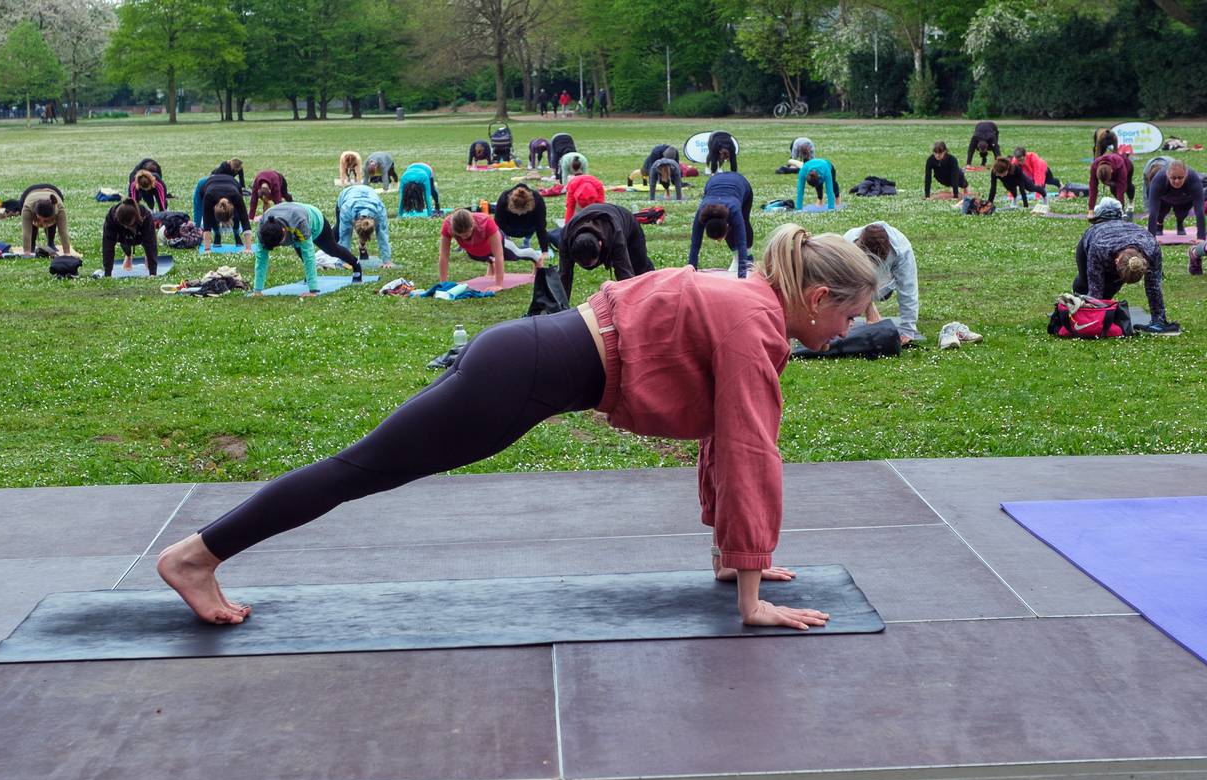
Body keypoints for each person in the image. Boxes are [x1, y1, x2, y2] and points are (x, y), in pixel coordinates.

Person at [156, 222, 879, 629]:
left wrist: (733, 556)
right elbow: (752, 451)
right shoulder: (755, 323)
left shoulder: (748, 302)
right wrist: (753, 604)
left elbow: (726, 435)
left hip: (522, 362)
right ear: (816, 297)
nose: (851, 331)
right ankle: (197, 555)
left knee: (363, 468)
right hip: (519, 375)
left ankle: (201, 554)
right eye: (849, 315)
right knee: (359, 470)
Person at [1073, 199, 1178, 334]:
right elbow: (1095, 291)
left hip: (1126, 238)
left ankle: (1112, 211)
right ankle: (1078, 302)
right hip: (1097, 236)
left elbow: (1154, 287)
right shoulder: (1099, 248)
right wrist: (1091, 317)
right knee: (1083, 283)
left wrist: (1159, 321)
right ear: (1116, 262)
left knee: (1108, 291)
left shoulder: (1151, 249)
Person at [253, 201, 366, 295]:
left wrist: (313, 290)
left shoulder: (299, 222)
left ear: (284, 232)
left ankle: (356, 265)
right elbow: (261, 258)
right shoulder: (263, 229)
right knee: (300, 251)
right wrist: (257, 290)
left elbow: (309, 255)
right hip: (290, 224)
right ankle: (311, 276)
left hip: (316, 223)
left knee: (332, 250)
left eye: (279, 244)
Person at [843, 222, 923, 344]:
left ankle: (869, 308)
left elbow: (908, 288)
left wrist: (907, 329)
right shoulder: (848, 242)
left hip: (885, 287)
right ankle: (864, 309)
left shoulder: (902, 250)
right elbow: (836, 282)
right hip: (855, 284)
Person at [556, 203, 654, 300]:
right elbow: (564, 275)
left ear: (600, 243)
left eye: (591, 264)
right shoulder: (566, 238)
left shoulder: (615, 234)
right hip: (600, 222)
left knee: (640, 266)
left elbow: (624, 273)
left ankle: (653, 292)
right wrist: (560, 309)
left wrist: (630, 304)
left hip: (628, 223)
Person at [437, 208, 540, 288]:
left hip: (500, 244)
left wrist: (498, 284)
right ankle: (491, 261)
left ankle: (534, 255)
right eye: (460, 235)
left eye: (467, 234)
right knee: (474, 255)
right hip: (477, 249)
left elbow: (499, 254)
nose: (463, 237)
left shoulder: (485, 222)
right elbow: (444, 256)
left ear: (472, 225)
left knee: (515, 255)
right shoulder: (448, 225)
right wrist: (443, 283)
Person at [689, 172, 753, 277]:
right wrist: (691, 272)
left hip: (740, 182)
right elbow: (695, 244)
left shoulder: (734, 210)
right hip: (714, 182)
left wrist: (742, 276)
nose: (718, 242)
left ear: (727, 225)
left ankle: (749, 259)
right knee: (734, 230)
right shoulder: (701, 212)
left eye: (719, 238)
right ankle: (736, 257)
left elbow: (742, 242)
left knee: (743, 223)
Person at [493, 183, 550, 267]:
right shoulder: (504, 199)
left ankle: (526, 241)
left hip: (528, 229)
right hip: (508, 229)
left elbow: (541, 226)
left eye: (522, 212)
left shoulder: (537, 200)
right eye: (516, 212)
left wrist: (544, 251)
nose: (519, 215)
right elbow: (497, 224)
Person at [1145, 160, 1205, 239]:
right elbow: (1153, 211)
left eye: (1180, 178)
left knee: (1181, 214)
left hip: (1185, 200)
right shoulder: (1159, 179)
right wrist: (1151, 239)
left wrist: (1201, 238)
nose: (1177, 181)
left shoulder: (1193, 179)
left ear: (1186, 175)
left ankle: (1180, 222)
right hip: (1164, 199)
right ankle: (1160, 224)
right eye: (1173, 178)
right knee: (1160, 213)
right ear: (1167, 174)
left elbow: (1199, 210)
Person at [336, 184, 392, 267]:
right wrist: (345, 260)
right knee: (338, 231)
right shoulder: (346, 210)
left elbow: (383, 235)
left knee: (365, 232)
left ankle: (362, 246)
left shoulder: (379, 211)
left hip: (369, 192)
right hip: (347, 195)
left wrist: (386, 261)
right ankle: (327, 250)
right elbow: (345, 236)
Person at [101, 198, 159, 277]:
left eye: (128, 225)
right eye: (124, 225)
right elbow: (107, 246)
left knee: (148, 247)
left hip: (139, 234)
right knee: (125, 240)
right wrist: (107, 273)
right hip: (122, 236)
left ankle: (147, 258)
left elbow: (151, 244)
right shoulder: (111, 218)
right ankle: (128, 255)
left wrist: (153, 272)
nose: (126, 227)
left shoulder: (146, 217)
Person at [200, 172, 254, 251]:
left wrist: (248, 249)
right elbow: (206, 224)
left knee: (238, 214)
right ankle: (217, 234)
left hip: (233, 183)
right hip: (208, 185)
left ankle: (236, 234)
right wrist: (207, 249)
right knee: (209, 216)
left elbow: (245, 220)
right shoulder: (208, 196)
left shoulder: (236, 196)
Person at [19, 184, 72, 255]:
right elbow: (26, 231)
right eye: (40, 219)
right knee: (31, 225)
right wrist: (27, 252)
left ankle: (51, 243)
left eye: (45, 220)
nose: (42, 223)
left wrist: (67, 252)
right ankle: (32, 245)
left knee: (52, 223)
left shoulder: (59, 208)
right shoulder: (27, 208)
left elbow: (63, 231)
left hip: (54, 191)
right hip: (29, 192)